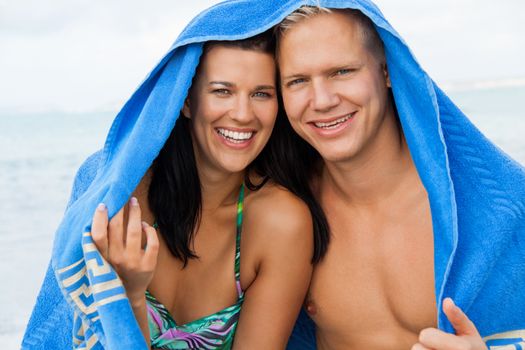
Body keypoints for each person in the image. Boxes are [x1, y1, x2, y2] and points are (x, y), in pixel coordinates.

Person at [22, 14, 328, 350]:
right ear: (185, 100)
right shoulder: (118, 194)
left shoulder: (281, 222)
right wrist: (131, 296)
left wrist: (133, 298)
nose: (243, 114)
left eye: (261, 94)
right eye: (222, 91)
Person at [276, 3, 525, 350]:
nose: (321, 100)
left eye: (342, 71)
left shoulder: (504, 208)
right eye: (297, 81)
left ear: (387, 70)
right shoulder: (285, 213)